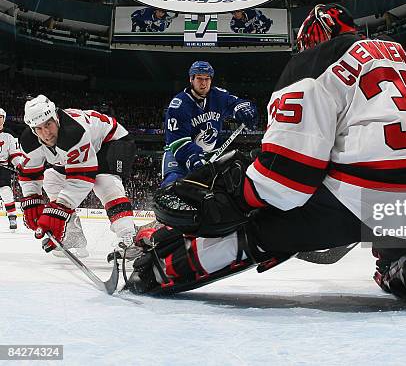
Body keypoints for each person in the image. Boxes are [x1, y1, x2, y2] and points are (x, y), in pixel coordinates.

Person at [128, 3, 406, 308]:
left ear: (311, 39)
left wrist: (233, 200)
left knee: (260, 218)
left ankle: (161, 266)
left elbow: (285, 179)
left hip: (358, 199)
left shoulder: (312, 62)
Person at [18, 95, 139, 258]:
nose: (46, 133)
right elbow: (29, 174)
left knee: (104, 181)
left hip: (112, 141)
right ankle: (73, 236)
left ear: (56, 117)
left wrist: (59, 210)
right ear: (32, 130)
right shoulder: (28, 141)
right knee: (51, 178)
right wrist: (32, 199)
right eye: (39, 128)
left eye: (48, 124)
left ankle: (128, 236)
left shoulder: (73, 132)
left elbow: (83, 177)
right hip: (85, 151)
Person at [161, 61, 259, 187]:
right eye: (199, 79)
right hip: (178, 154)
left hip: (211, 154)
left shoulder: (218, 96)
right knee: (172, 187)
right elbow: (178, 142)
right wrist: (195, 159)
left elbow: (238, 103)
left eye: (207, 79)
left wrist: (245, 110)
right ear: (191, 79)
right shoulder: (179, 105)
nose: (204, 83)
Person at [0, 108, 24, 231]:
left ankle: (12, 216)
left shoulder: (9, 135)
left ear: (4, 119)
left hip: (3, 168)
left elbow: (15, 154)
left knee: (5, 191)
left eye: (0, 117)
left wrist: (19, 165)